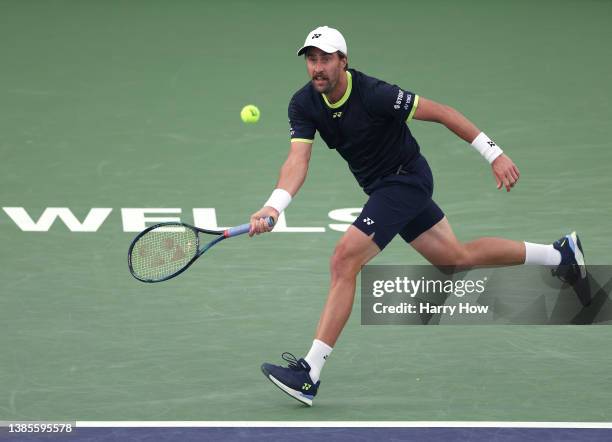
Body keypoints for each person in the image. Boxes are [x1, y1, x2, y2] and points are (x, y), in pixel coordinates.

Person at [249, 26, 586, 406]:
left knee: (343, 260)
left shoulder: (376, 94)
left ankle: (309, 373)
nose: (317, 67)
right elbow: (298, 159)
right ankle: (561, 256)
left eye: (325, 59)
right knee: (454, 259)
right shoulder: (303, 104)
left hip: (406, 180)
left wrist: (494, 154)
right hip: (383, 188)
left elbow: (442, 112)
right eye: (311, 59)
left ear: (344, 61)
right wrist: (275, 205)